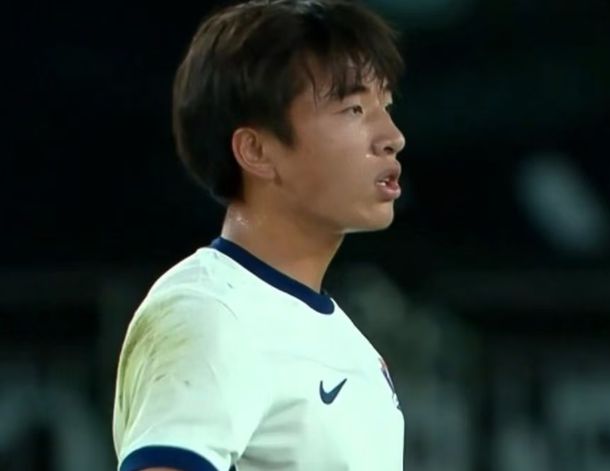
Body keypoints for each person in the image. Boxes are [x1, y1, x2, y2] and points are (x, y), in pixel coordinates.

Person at [112, 0, 407, 469]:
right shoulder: (211, 312)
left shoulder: (350, 345)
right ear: (256, 151)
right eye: (353, 109)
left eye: (385, 106)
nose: (391, 136)